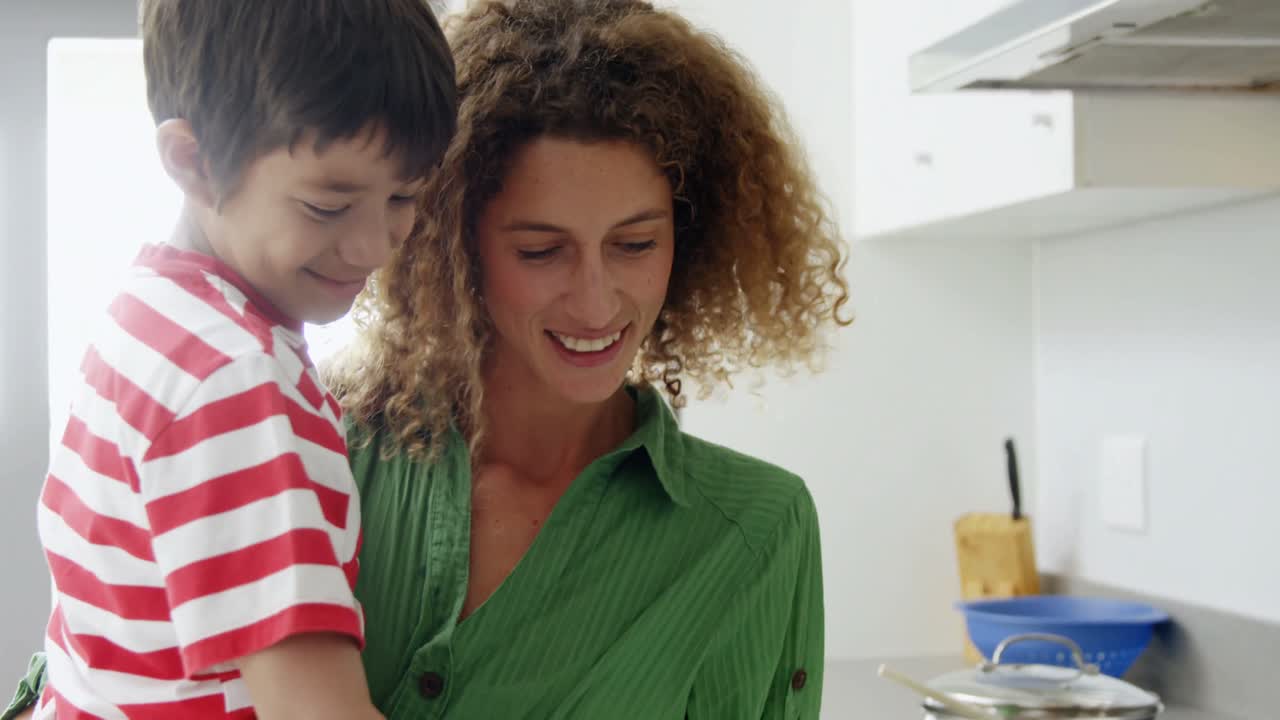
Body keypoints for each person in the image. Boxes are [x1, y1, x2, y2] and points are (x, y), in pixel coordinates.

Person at [7, 0, 849, 717]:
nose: (596, 301)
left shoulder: (758, 533)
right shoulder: (274, 415)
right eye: (539, 251)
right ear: (457, 248)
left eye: (634, 243)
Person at [15, 1, 456, 718]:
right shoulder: (233, 383)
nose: (374, 246)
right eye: (326, 206)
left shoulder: (150, 312)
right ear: (193, 161)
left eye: (405, 195)